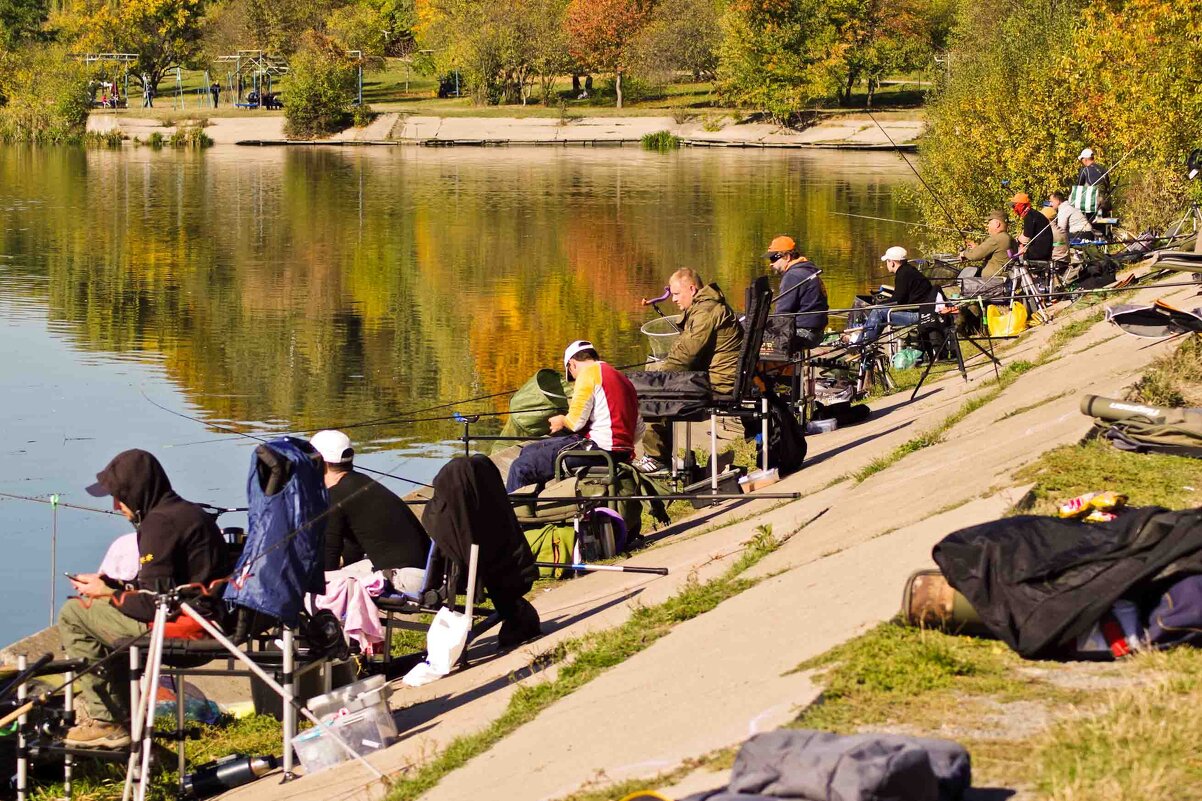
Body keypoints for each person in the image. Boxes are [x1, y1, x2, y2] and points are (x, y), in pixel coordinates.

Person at [57, 450, 228, 749]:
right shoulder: (186, 511)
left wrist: (107, 592)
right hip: (206, 616)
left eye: (118, 496)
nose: (115, 505)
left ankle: (108, 720)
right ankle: (123, 720)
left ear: (135, 492)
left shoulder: (158, 524)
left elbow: (152, 604)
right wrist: (116, 586)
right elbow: (169, 586)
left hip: (189, 631)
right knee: (101, 616)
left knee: (74, 612)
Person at [637, 268, 744, 472]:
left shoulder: (705, 312)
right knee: (656, 383)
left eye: (677, 294)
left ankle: (656, 458)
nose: (674, 299)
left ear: (692, 289)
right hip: (719, 377)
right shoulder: (706, 307)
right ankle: (660, 457)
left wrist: (654, 379)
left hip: (718, 384)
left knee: (651, 394)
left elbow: (685, 355)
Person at [505, 342, 643, 491]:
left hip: (598, 450)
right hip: (622, 453)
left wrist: (561, 421)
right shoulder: (623, 379)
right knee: (528, 451)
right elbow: (639, 429)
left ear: (572, 364)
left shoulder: (589, 374)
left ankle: (514, 513)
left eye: (571, 374)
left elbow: (576, 422)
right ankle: (536, 505)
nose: (574, 378)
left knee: (520, 468)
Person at [309, 430, 431, 571]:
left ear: (318, 463)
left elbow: (328, 563)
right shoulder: (362, 482)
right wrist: (342, 561)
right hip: (423, 572)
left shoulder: (335, 495)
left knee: (308, 590)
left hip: (403, 579)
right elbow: (356, 545)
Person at [860, 246, 942, 344]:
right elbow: (902, 296)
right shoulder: (909, 270)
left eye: (887, 261)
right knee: (879, 309)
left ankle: (862, 345)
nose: (887, 264)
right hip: (923, 311)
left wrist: (878, 305)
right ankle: (862, 340)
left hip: (919, 315)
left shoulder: (903, 274)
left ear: (892, 262)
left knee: (878, 312)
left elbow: (897, 301)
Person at [765, 235, 829, 348]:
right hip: (817, 332)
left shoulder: (793, 276)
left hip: (804, 334)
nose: (771, 263)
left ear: (787, 257)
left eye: (774, 258)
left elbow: (782, 314)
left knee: (755, 339)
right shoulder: (808, 270)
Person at [958, 212, 1015, 277]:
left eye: (989, 223)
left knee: (960, 283)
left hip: (992, 282)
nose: (988, 225)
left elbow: (975, 255)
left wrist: (964, 253)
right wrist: (976, 248)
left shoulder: (997, 238)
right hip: (1002, 278)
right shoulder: (1009, 238)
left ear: (997, 224)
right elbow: (996, 256)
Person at [1011, 192, 1052, 262]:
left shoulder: (1029, 216)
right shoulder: (1033, 214)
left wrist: (1017, 241)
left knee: (1015, 245)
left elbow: (1026, 238)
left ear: (1021, 205)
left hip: (1039, 252)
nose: (1013, 209)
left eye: (1014, 206)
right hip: (1045, 249)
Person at [1073, 148, 1111, 218]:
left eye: (1082, 159)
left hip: (1092, 205)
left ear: (1085, 159)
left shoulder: (1085, 170)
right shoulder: (1103, 169)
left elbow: (1078, 188)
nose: (1082, 161)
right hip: (1105, 203)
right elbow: (1108, 186)